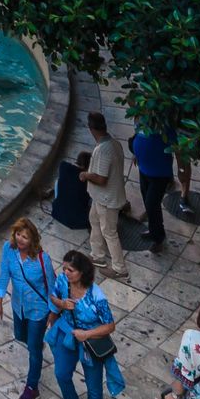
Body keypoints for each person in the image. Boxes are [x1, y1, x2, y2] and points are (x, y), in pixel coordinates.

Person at [48, 249, 123, 399]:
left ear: (82, 272)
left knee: (94, 387)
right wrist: (61, 305)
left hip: (90, 341)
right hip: (68, 335)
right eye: (64, 268)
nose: (65, 272)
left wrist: (87, 335)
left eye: (70, 270)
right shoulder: (62, 281)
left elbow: (110, 326)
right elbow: (52, 296)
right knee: (62, 374)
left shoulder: (96, 296)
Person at [0, 216, 60, 399]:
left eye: (25, 237)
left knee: (33, 350)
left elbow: (52, 287)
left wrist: (53, 312)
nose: (21, 239)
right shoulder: (9, 249)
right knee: (20, 335)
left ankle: (32, 388)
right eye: (18, 234)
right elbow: (4, 274)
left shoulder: (42, 259)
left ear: (33, 240)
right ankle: (36, 344)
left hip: (38, 309)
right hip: (18, 306)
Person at [81, 112, 131, 279]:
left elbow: (101, 179)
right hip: (101, 197)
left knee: (109, 231)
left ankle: (119, 268)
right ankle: (98, 256)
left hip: (107, 199)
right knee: (94, 221)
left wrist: (86, 175)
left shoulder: (103, 150)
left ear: (91, 129)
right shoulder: (115, 143)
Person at [130, 127, 176, 254]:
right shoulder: (143, 120)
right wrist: (136, 152)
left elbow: (176, 144)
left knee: (152, 204)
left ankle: (158, 239)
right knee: (147, 200)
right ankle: (154, 230)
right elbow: (138, 135)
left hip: (159, 173)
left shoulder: (166, 125)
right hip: (144, 169)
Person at [52, 151, 93, 231]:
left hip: (57, 213)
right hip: (78, 221)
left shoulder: (63, 166)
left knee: (58, 181)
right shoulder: (87, 180)